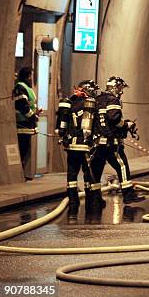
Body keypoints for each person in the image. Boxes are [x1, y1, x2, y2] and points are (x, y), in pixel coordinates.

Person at [90, 76, 145, 204]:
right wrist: (127, 125)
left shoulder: (97, 100)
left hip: (98, 142)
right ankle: (128, 194)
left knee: (96, 169)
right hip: (111, 142)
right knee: (122, 166)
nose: (121, 91)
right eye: (120, 88)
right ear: (115, 87)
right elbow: (114, 119)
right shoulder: (113, 100)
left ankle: (95, 198)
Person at [55, 80, 105, 215]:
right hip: (85, 146)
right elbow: (95, 126)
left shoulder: (70, 104)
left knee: (72, 174)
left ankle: (73, 200)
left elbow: (62, 124)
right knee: (89, 174)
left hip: (71, 145)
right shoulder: (90, 104)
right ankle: (93, 200)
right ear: (88, 90)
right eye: (93, 91)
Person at [13, 67, 42, 180]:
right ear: (27, 76)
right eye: (30, 76)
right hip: (22, 123)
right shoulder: (20, 87)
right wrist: (33, 116)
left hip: (27, 124)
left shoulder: (26, 88)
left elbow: (28, 105)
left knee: (25, 149)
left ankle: (22, 174)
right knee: (22, 149)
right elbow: (22, 106)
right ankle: (20, 175)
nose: (31, 78)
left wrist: (36, 112)